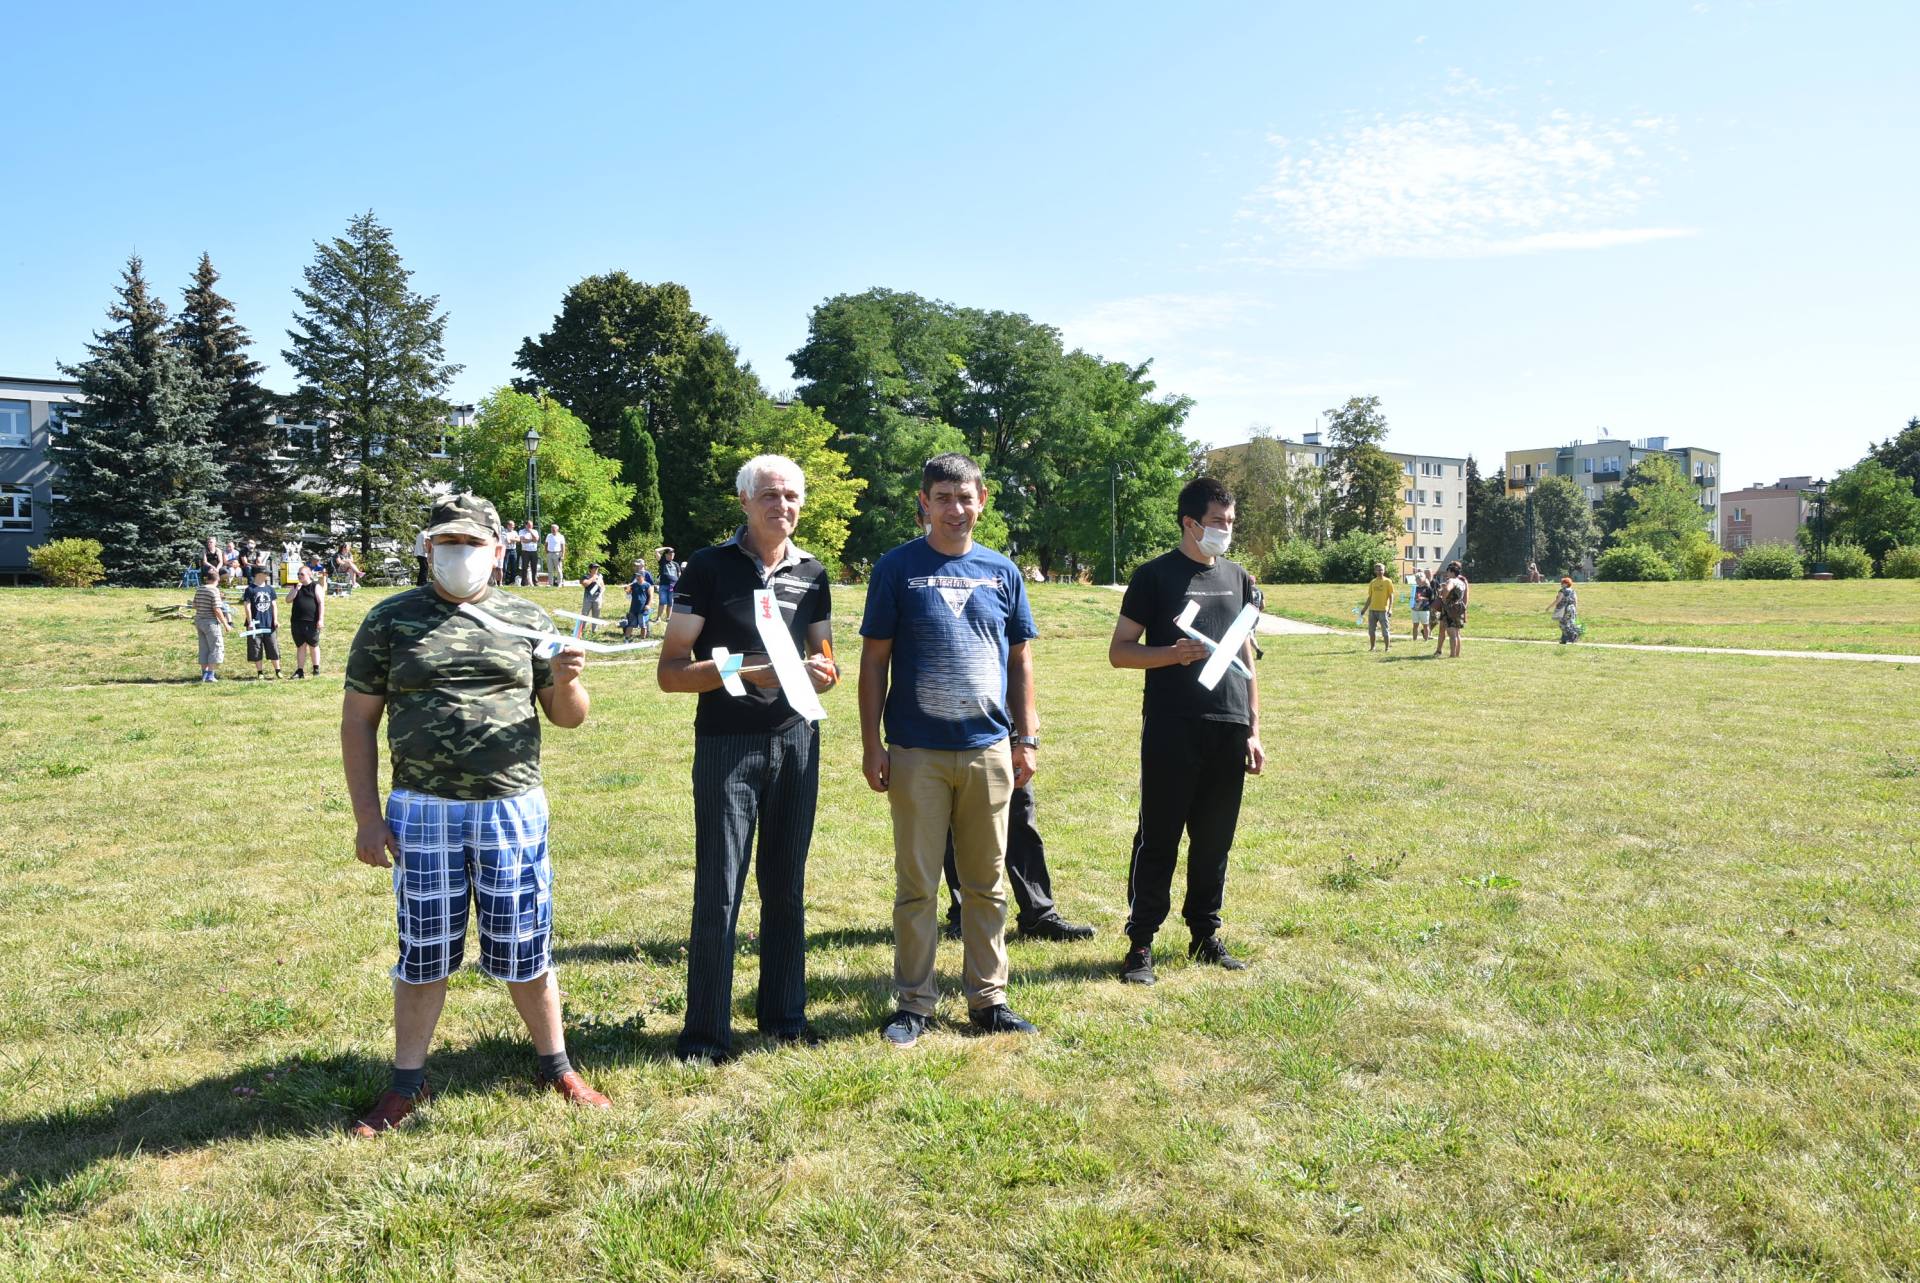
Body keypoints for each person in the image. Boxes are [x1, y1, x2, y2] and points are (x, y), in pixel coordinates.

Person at [341, 492, 609, 1136]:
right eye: (446, 544)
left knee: (525, 941)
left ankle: (556, 1066)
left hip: (511, 805)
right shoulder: (389, 620)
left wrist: (568, 678)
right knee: (425, 950)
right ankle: (406, 1084)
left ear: (497, 550)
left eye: (472, 545)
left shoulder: (525, 617)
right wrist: (367, 818)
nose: (460, 555)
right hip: (422, 811)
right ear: (427, 550)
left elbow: (568, 716)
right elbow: (358, 722)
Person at [657, 455, 837, 1063]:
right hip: (726, 746)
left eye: (790, 496)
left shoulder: (813, 573)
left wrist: (821, 673)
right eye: (768, 495)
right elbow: (672, 672)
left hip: (796, 742)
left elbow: (827, 661)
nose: (780, 506)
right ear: (743, 501)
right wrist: (744, 669)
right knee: (721, 888)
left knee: (786, 884)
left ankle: (784, 1017)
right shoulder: (708, 568)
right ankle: (706, 1033)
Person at [860, 452, 1041, 1048]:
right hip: (915, 752)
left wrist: (1026, 736)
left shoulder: (1003, 571)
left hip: (989, 750)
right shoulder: (897, 568)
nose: (955, 510)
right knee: (917, 886)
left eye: (965, 499)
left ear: (981, 501)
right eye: (943, 498)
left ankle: (989, 999)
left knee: (987, 883)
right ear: (925, 502)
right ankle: (914, 1002)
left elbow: (1020, 660)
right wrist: (871, 745)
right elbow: (874, 660)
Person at [1107, 475, 1264, 985]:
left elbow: (1245, 655)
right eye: (1218, 522)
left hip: (1228, 724)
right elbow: (1120, 652)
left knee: (1215, 838)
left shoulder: (1239, 578)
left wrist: (1254, 727)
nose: (1225, 531)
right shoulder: (1154, 577)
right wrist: (1169, 655)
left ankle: (1204, 934)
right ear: (1189, 523)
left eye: (1230, 523)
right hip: (1173, 725)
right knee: (1160, 836)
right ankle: (1141, 944)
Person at [940, 784, 1094, 941]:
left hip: (1008, 759)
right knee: (962, 813)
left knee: (1019, 805)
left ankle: (1038, 916)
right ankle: (965, 916)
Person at [240, 565, 283, 679]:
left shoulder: (270, 589)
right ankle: (260, 673)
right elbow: (247, 606)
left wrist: (275, 619)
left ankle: (278, 671)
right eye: (266, 573)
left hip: (269, 624)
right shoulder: (250, 589)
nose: (268, 575)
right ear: (259, 574)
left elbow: (274, 605)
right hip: (255, 625)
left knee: (273, 647)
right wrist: (250, 622)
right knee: (256, 648)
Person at [193, 568, 233, 682]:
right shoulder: (214, 590)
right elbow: (217, 609)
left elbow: (195, 605)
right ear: (218, 579)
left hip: (199, 621)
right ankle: (210, 675)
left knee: (204, 647)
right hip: (210, 622)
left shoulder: (200, 589)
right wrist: (226, 624)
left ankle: (204, 674)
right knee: (216, 647)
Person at [288, 564, 324, 678]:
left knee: (313, 645)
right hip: (297, 621)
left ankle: (316, 669)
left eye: (301, 574)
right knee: (301, 646)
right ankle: (300, 671)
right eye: (298, 574)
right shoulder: (295, 587)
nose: (299, 576)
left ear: (309, 575)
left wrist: (320, 619)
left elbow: (321, 603)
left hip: (311, 621)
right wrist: (296, 590)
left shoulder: (315, 586)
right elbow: (288, 600)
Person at [1434, 560, 1468, 659]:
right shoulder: (1461, 583)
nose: (1447, 573)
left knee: (1451, 633)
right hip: (1459, 608)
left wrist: (1443, 598)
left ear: (1452, 572)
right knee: (1457, 633)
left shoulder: (1451, 581)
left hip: (1450, 609)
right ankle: (1456, 654)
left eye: (1448, 571)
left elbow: (1448, 589)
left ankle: (1452, 654)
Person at [1365, 562, 1395, 652]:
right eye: (1377, 569)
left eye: (1381, 569)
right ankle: (1372, 647)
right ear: (1375, 571)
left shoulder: (1388, 581)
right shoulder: (1373, 582)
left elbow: (1391, 596)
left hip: (1383, 610)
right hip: (1372, 610)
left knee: (1385, 631)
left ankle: (1387, 648)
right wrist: (1364, 609)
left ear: (1384, 570)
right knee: (1371, 631)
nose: (1379, 571)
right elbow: (1370, 597)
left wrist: (1390, 609)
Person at [621, 562, 654, 641]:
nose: (637, 577)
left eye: (638, 576)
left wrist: (648, 605)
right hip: (633, 608)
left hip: (643, 609)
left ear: (643, 576)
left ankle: (642, 639)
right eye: (636, 576)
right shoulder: (634, 585)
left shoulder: (647, 585)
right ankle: (626, 639)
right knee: (631, 624)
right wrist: (626, 589)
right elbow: (628, 592)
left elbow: (651, 596)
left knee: (643, 625)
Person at [1551, 575, 1580, 644]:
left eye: (1562, 583)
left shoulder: (1562, 591)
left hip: (1563, 609)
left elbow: (1558, 600)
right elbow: (1576, 601)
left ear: (1566, 584)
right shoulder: (1573, 591)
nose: (1561, 584)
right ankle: (1564, 639)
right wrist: (1575, 610)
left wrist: (1549, 607)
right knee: (1569, 623)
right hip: (1571, 608)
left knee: (1562, 624)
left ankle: (1573, 635)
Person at [658, 548, 680, 621]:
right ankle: (658, 618)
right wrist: (667, 548)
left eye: (673, 554)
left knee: (670, 602)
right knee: (662, 601)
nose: (672, 556)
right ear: (666, 555)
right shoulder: (662, 561)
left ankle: (668, 618)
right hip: (663, 584)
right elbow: (656, 551)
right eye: (670, 554)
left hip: (672, 586)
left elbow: (679, 575)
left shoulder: (676, 564)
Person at [1410, 569, 1433, 642]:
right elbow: (1412, 597)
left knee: (1425, 625)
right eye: (1416, 579)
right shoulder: (1414, 588)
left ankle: (1426, 640)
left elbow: (1431, 598)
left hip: (1424, 609)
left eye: (1419, 578)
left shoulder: (1428, 588)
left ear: (1423, 579)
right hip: (1415, 609)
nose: (1417, 580)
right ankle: (1414, 640)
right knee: (1415, 625)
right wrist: (1412, 599)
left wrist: (1423, 598)